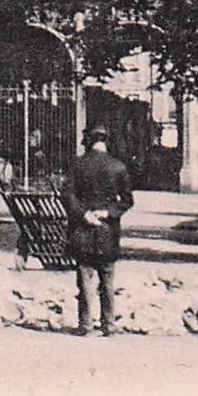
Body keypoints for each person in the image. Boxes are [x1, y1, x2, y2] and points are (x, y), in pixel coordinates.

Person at [62, 125, 134, 337]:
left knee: (85, 281)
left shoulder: (77, 165)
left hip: (82, 229)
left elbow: (67, 195)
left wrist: (84, 214)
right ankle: (109, 325)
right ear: (106, 141)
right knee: (107, 281)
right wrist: (108, 212)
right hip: (107, 231)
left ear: (89, 141)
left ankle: (85, 325)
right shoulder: (118, 167)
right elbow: (128, 200)